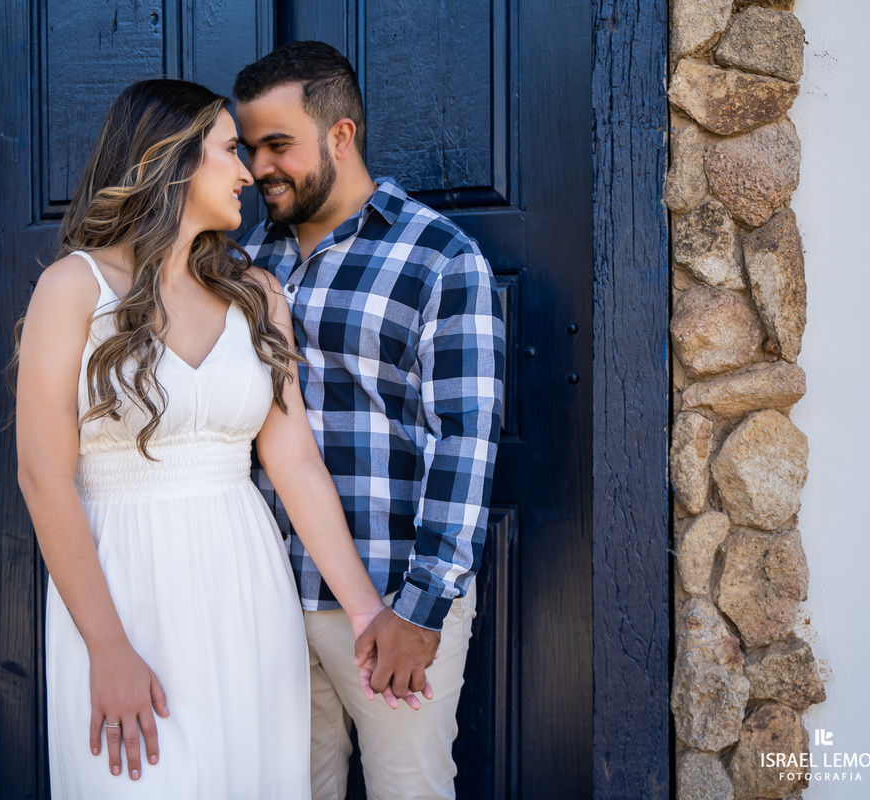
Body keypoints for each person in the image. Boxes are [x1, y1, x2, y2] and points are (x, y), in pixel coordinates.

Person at [15, 78, 399, 798]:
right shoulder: (73, 289)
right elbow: (43, 475)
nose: (250, 173)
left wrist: (366, 609)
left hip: (246, 588)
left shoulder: (255, 295)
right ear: (173, 160)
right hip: (123, 591)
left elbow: (293, 461)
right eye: (229, 150)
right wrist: (107, 649)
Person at [235, 41, 505, 798]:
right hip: (271, 598)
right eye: (250, 147)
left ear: (341, 136)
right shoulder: (243, 255)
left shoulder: (439, 258)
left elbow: (467, 438)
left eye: (278, 144)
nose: (259, 168)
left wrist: (420, 610)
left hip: (390, 601)